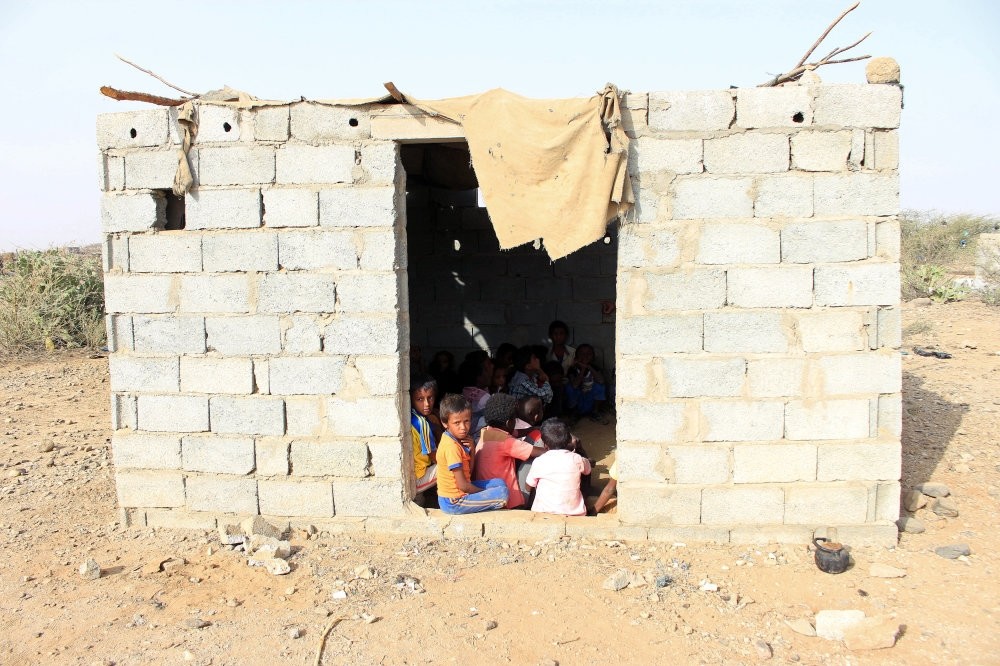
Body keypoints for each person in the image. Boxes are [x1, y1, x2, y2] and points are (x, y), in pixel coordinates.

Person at [435, 394, 508, 514]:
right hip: (454, 502)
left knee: (500, 483)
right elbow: (464, 486)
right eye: (457, 423)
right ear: (445, 423)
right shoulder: (451, 447)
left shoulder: (458, 440)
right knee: (502, 494)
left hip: (461, 490)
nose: (463, 427)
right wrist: (482, 493)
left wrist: (472, 449)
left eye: (466, 421)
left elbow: (469, 473)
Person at [474, 393, 546, 509]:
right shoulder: (507, 442)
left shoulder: (486, 432)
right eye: (515, 419)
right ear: (509, 422)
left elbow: (515, 432)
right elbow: (538, 452)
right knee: (534, 459)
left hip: (488, 493)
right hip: (508, 500)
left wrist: (531, 429)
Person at [526, 418, 592, 516]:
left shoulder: (539, 461)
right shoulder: (577, 459)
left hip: (542, 513)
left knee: (536, 483)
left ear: (544, 444)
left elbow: (528, 487)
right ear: (570, 439)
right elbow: (588, 470)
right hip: (574, 514)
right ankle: (585, 498)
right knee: (583, 472)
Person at [410, 375, 440, 494]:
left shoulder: (415, 416)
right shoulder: (421, 424)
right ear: (411, 399)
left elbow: (436, 429)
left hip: (420, 473)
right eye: (420, 399)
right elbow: (435, 457)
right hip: (418, 480)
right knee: (455, 464)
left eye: (430, 398)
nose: (427, 404)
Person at [565, 343, 608, 424]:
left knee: (600, 386)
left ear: (593, 357)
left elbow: (601, 381)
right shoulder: (573, 369)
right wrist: (583, 369)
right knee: (569, 388)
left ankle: (595, 412)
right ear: (576, 356)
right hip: (579, 402)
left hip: (590, 401)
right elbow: (575, 385)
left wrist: (588, 367)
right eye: (582, 354)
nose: (585, 356)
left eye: (589, 353)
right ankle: (574, 413)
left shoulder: (594, 368)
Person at [460, 351, 494, 439]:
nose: (492, 367)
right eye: (488, 365)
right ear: (479, 375)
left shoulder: (465, 390)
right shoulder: (484, 399)